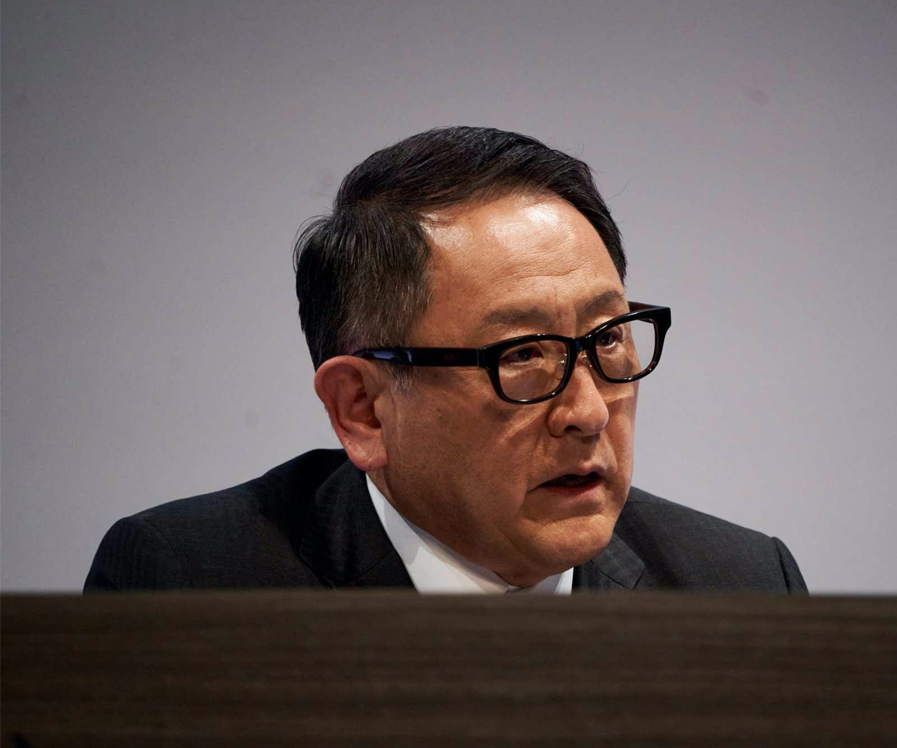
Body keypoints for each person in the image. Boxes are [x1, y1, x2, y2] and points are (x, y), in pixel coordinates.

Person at [84, 127, 807, 594]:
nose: (589, 412)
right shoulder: (187, 584)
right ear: (363, 410)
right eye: (522, 354)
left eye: (608, 337)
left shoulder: (743, 586)